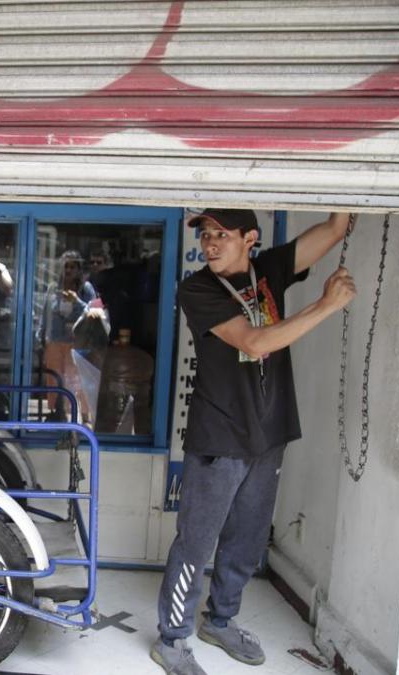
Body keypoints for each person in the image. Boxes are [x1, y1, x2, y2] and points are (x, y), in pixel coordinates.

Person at [151, 209, 355, 675]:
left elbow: (334, 230)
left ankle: (220, 621)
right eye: (205, 236)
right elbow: (255, 343)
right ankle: (173, 639)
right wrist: (325, 306)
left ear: (250, 238)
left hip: (269, 433)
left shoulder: (270, 270)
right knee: (196, 542)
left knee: (246, 539)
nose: (210, 244)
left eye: (221, 235)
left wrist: (348, 189)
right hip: (221, 434)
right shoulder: (198, 288)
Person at [38, 250, 109, 422]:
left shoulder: (86, 288)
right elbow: (46, 313)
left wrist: (76, 301)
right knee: (55, 380)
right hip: (55, 342)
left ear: (78, 269)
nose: (68, 270)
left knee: (77, 383)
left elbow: (94, 312)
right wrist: (40, 336)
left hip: (77, 343)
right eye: (65, 266)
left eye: (72, 266)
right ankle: (58, 415)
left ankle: (83, 419)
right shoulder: (54, 287)